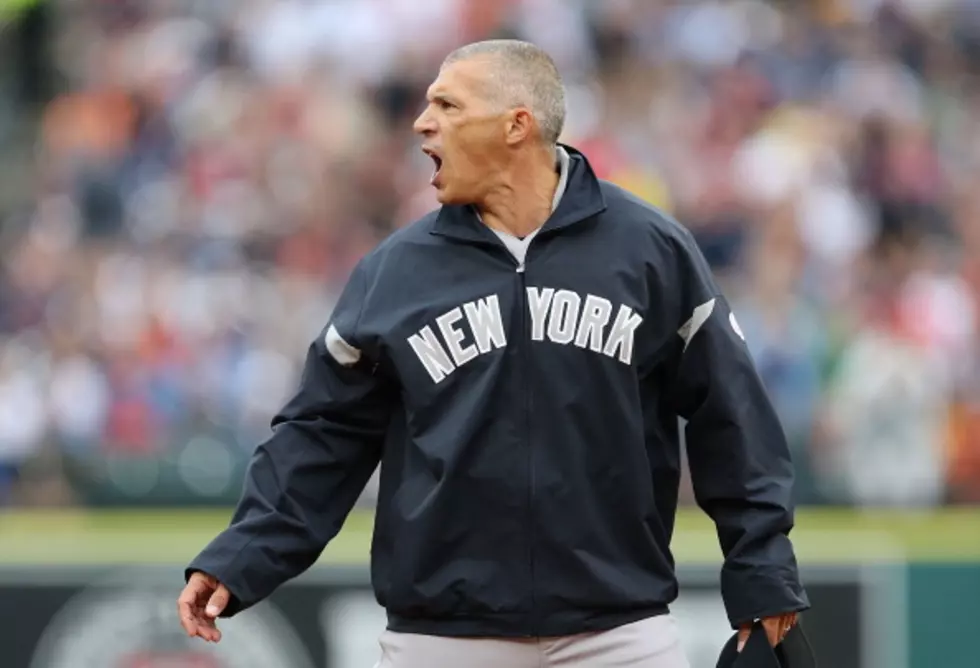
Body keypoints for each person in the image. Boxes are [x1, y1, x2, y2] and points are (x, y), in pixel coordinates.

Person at [177, 40, 809, 668]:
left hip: (617, 634)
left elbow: (731, 413)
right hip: (441, 640)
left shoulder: (649, 249)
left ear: (516, 124)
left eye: (447, 105)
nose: (423, 122)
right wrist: (244, 554)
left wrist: (763, 568)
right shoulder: (395, 272)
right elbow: (321, 433)